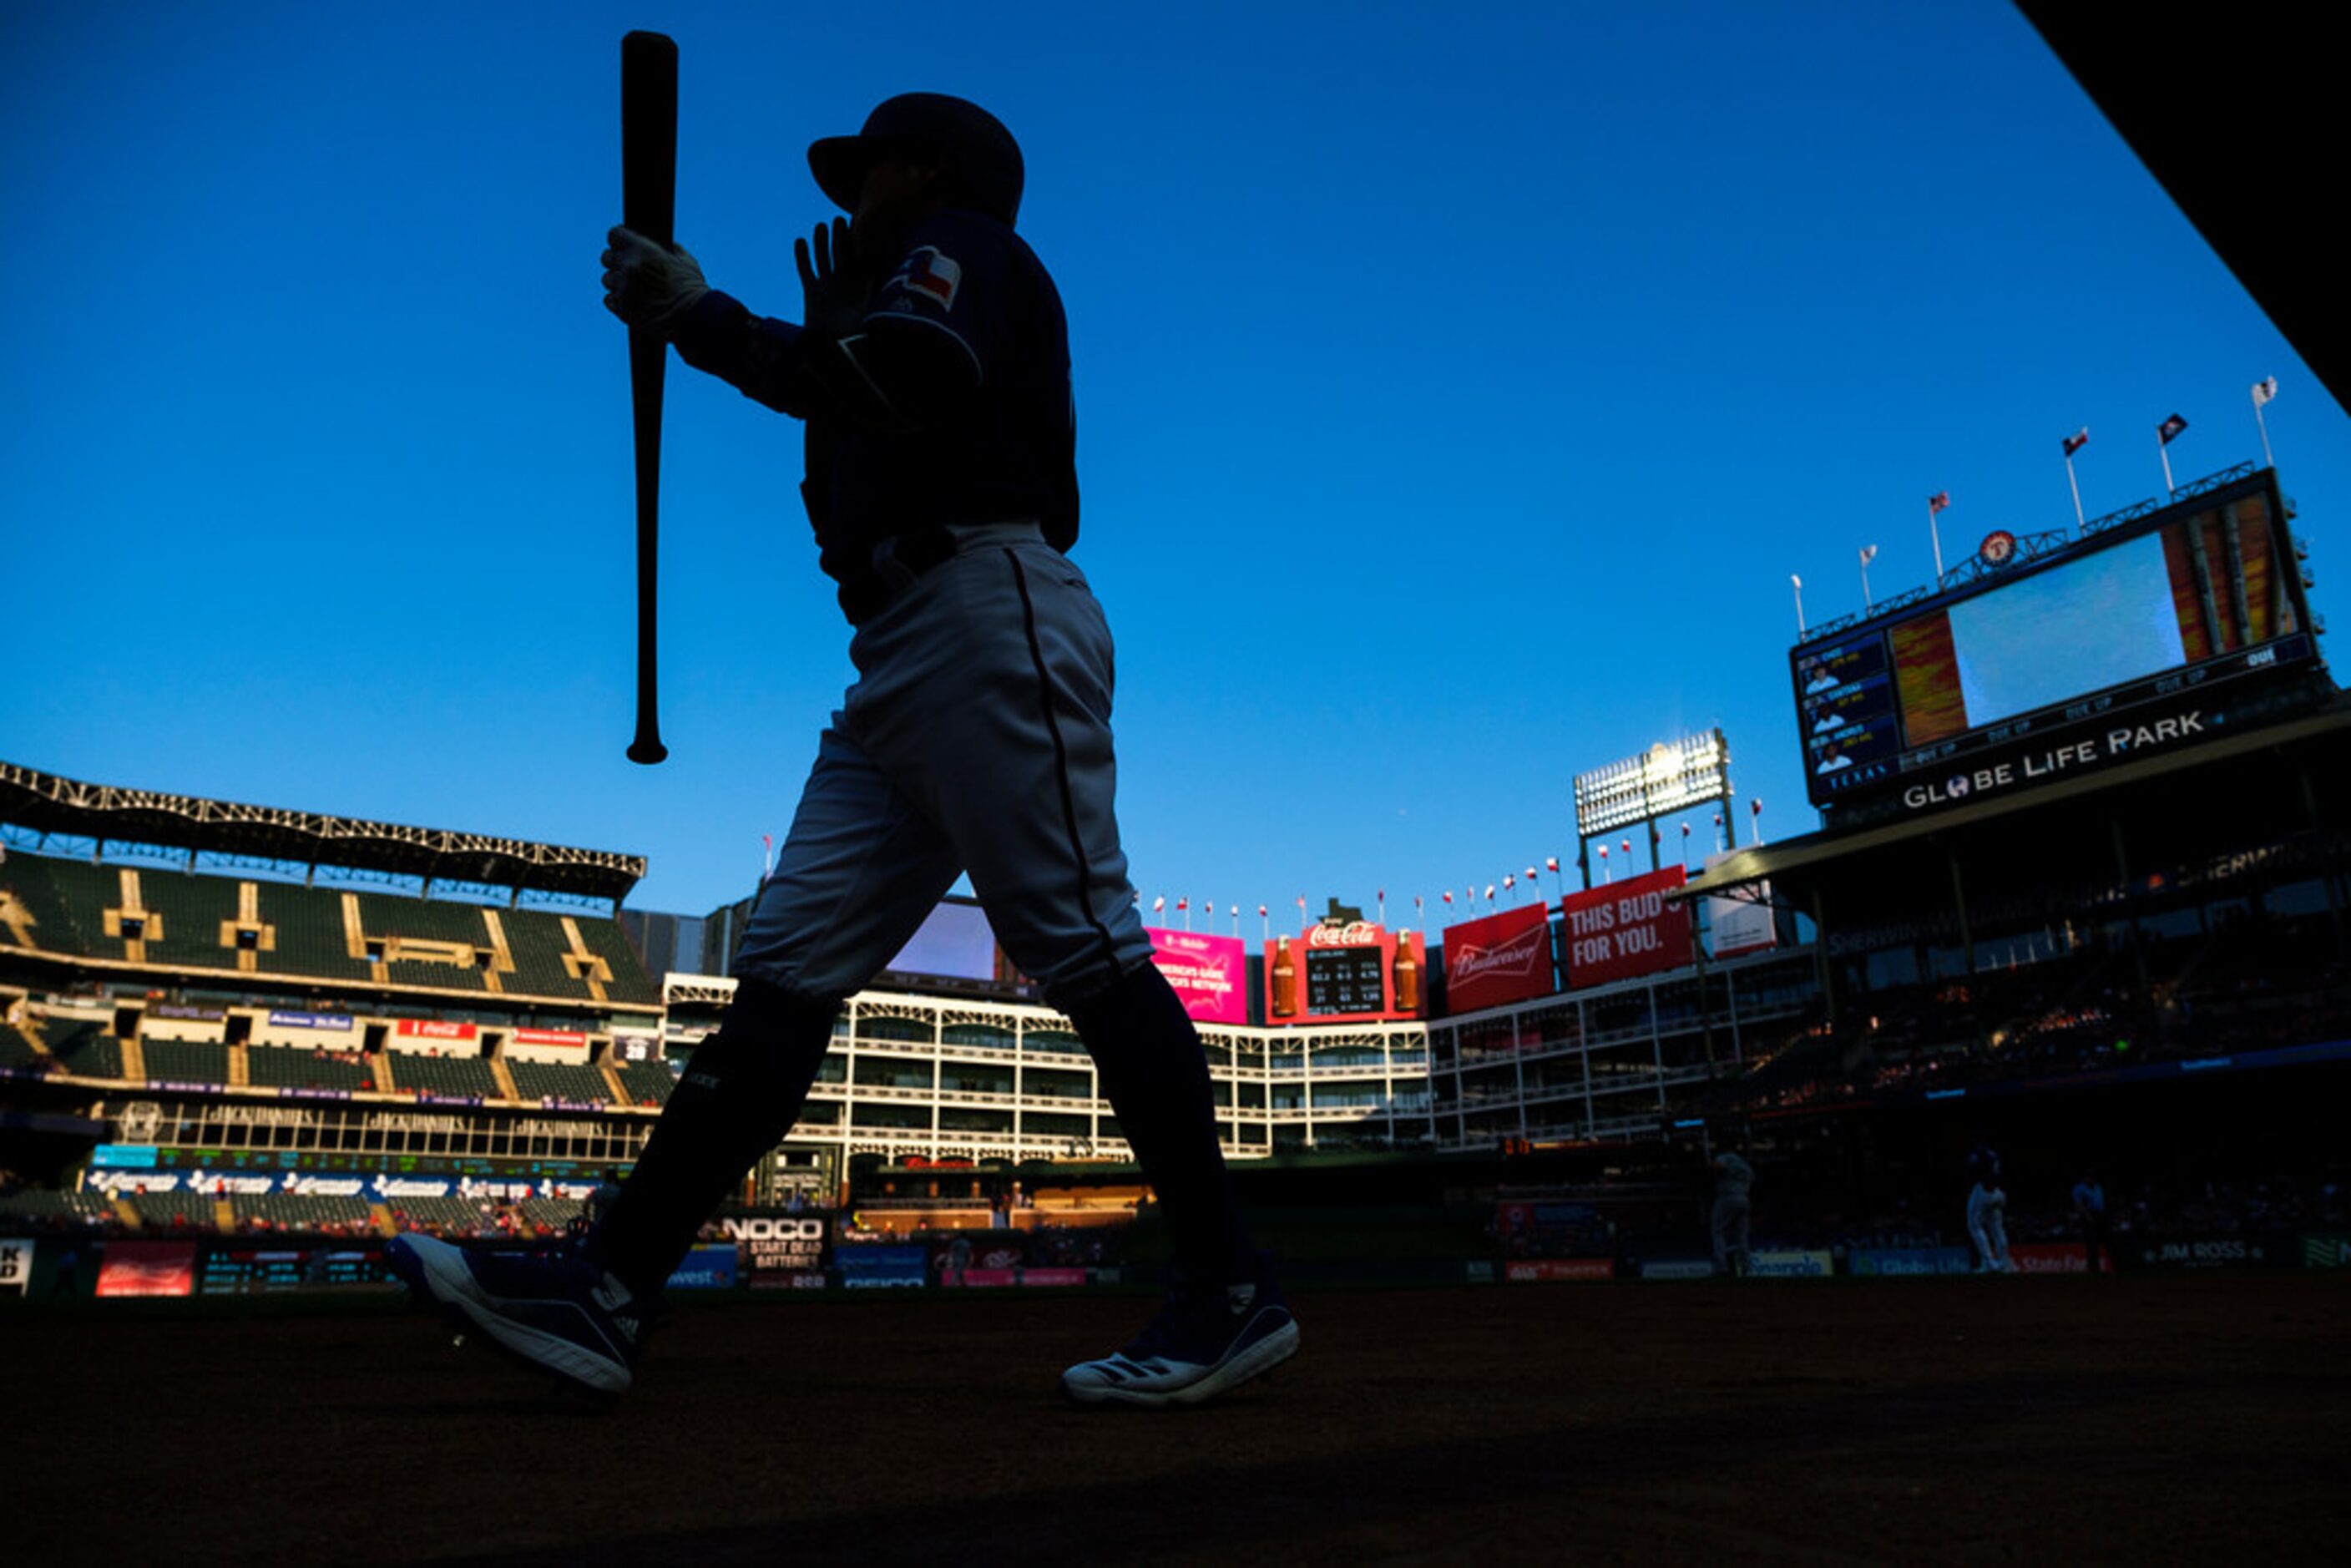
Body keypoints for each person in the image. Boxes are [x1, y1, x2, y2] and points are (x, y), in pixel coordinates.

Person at [387, 93, 1294, 1409]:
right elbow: (858, 470)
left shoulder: (966, 245)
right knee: (786, 973)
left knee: (1087, 942)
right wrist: (815, 357)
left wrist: (700, 318)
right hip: (897, 655)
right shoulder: (893, 302)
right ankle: (611, 1286)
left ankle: (1229, 1285)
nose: (848, 190)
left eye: (868, 167)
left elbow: (910, 378)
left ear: (925, 169)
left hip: (990, 609)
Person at [1710, 1147, 1753, 1278]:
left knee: (1717, 1231)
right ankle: (1746, 1268)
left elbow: (1717, 1166)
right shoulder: (1745, 1165)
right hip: (1744, 1198)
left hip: (1727, 1197)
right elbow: (1752, 1179)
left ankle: (1721, 1268)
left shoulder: (1725, 1157)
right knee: (1742, 1236)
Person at [2070, 1170, 2107, 1274]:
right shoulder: (2079, 1188)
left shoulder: (2098, 1187)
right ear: (2084, 1178)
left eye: (2092, 1177)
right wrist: (2087, 1216)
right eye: (2088, 1177)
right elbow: (2078, 1204)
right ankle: (2093, 1268)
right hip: (2089, 1216)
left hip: (2101, 1215)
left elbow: (2101, 1202)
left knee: (2102, 1241)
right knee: (2092, 1242)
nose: (2091, 1179)